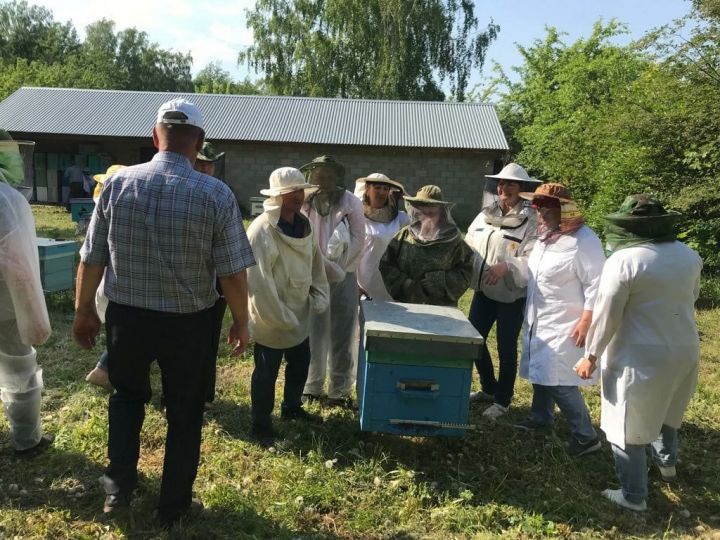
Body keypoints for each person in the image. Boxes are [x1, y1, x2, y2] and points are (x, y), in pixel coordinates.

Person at [72, 98, 255, 526]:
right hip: (187, 325)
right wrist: (242, 322)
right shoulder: (215, 194)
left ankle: (118, 490)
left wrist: (84, 312)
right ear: (199, 142)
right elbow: (232, 273)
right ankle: (171, 508)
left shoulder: (118, 185)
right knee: (185, 411)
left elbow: (91, 258)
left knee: (126, 398)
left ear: (155, 137)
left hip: (127, 318)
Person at [575, 195, 702, 512]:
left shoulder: (624, 260)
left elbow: (607, 314)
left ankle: (634, 497)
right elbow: (692, 297)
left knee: (626, 424)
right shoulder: (689, 256)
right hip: (685, 348)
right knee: (667, 412)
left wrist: (590, 354)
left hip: (639, 355)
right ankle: (667, 468)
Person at [514, 183, 605, 457]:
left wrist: (586, 321)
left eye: (546, 207)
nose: (539, 212)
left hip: (566, 322)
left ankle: (586, 438)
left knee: (560, 381)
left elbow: (598, 285)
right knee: (542, 372)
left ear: (564, 209)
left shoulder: (584, 241)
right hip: (540, 317)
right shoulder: (545, 236)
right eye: (537, 206)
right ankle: (541, 419)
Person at [247, 167, 330, 447]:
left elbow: (315, 262)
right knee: (266, 373)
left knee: (300, 363)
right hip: (271, 317)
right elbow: (258, 281)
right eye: (292, 192)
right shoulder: (262, 230)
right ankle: (260, 425)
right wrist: (278, 316)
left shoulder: (303, 223)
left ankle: (292, 407)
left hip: (300, 311)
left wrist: (319, 293)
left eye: (300, 191)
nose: (299, 196)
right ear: (279, 196)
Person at [465, 163, 540, 419]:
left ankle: (502, 400)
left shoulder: (532, 220)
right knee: (473, 340)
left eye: (510, 184)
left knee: (506, 347)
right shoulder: (485, 213)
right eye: (501, 183)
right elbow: (469, 242)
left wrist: (508, 265)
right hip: (484, 290)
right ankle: (487, 388)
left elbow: (536, 259)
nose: (504, 188)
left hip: (511, 295)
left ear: (522, 189)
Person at [0, 130, 54, 457]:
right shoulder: (7, 200)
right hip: (6, 307)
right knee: (20, 371)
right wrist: (35, 321)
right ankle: (26, 440)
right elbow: (20, 269)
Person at [300, 155, 365, 408]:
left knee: (342, 332)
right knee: (313, 331)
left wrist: (338, 267)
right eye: (318, 175)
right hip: (311, 274)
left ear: (338, 176)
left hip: (344, 275)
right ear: (312, 177)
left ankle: (339, 390)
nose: (323, 180)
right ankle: (312, 386)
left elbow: (359, 238)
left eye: (328, 175)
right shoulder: (305, 200)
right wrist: (316, 267)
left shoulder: (351, 201)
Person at [379, 185, 474, 307]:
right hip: (407, 305)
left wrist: (438, 281)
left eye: (432, 213)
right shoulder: (404, 235)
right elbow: (386, 263)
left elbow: (466, 271)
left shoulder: (453, 240)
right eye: (423, 212)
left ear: (441, 213)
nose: (427, 217)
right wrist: (405, 283)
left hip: (441, 309)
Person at [85, 165, 127, 393]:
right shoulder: (115, 214)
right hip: (117, 290)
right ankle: (104, 370)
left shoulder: (104, 213)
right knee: (127, 338)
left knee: (123, 336)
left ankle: (105, 370)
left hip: (107, 289)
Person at [354, 173, 410, 301]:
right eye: (377, 187)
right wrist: (353, 285)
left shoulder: (400, 219)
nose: (382, 192)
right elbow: (347, 253)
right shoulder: (356, 216)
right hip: (363, 285)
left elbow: (421, 220)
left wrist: (405, 196)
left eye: (386, 189)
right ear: (367, 190)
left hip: (390, 285)